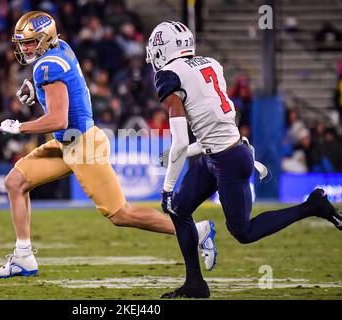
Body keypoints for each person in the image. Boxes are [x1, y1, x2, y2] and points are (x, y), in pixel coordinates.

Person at [0, 12, 217, 278]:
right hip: (69, 144)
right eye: (22, 43)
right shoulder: (60, 48)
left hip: (82, 146)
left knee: (121, 214)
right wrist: (34, 90)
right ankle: (24, 257)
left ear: (45, 38)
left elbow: (59, 119)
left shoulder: (47, 67)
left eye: (30, 42)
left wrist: (19, 127)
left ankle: (197, 231)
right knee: (15, 182)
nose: (24, 48)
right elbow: (67, 88)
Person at [146, 21, 342, 299]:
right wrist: (183, 154)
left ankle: (313, 206)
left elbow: (180, 142)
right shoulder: (211, 64)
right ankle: (195, 284)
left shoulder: (169, 75)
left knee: (243, 231)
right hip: (222, 153)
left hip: (227, 160)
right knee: (179, 209)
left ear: (164, 49)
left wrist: (166, 187)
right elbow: (210, 129)